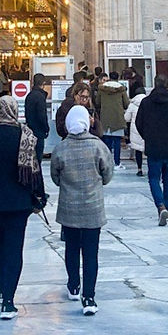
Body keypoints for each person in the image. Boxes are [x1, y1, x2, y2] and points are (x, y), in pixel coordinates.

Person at [0, 95, 45, 320]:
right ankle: (9, 301)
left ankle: (0, 287)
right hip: (18, 202)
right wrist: (37, 196)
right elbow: (34, 170)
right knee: (14, 248)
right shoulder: (26, 137)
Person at [50, 104, 113, 314]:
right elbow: (107, 173)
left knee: (71, 248)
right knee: (90, 252)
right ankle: (89, 297)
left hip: (69, 207)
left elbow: (55, 176)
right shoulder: (98, 146)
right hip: (92, 206)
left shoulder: (61, 147)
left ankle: (73, 285)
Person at [135, 75, 168, 225]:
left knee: (153, 178)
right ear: (167, 85)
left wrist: (147, 136)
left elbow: (139, 123)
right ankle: (167, 208)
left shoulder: (146, 102)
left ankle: (160, 205)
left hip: (153, 145)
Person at [97, 72, 129, 167]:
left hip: (105, 117)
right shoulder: (121, 89)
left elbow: (98, 102)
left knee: (107, 141)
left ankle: (107, 162)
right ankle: (117, 163)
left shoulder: (102, 89)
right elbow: (126, 104)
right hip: (117, 118)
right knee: (117, 142)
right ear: (118, 78)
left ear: (109, 78)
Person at [24, 73, 51, 162]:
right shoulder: (40, 97)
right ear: (43, 83)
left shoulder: (29, 96)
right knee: (38, 156)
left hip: (30, 130)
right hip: (39, 131)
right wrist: (46, 128)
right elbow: (42, 115)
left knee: (32, 157)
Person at [125, 82, 147, 174]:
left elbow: (127, 118)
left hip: (136, 129)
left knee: (138, 149)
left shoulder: (132, 104)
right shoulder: (149, 102)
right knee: (149, 150)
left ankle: (139, 169)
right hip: (148, 128)